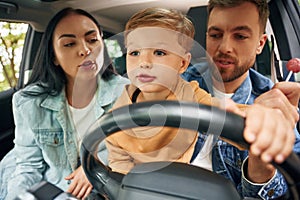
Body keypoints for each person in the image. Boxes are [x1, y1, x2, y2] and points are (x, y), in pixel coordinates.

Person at [104, 8, 297, 200]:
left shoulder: (191, 93)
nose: (144, 62)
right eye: (134, 52)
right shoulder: (117, 111)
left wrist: (262, 119)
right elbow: (119, 173)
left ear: (182, 64)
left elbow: (228, 113)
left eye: (160, 52)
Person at [0, 7, 129, 200]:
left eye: (92, 40)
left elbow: (139, 146)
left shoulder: (127, 92)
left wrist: (95, 167)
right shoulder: (29, 101)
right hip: (54, 189)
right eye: (69, 44)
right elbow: (28, 166)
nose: (85, 50)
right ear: (54, 57)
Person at [181, 0, 300, 199]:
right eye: (216, 35)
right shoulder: (174, 84)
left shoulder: (276, 106)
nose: (225, 47)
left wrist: (261, 164)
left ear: (260, 44)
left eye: (240, 36)